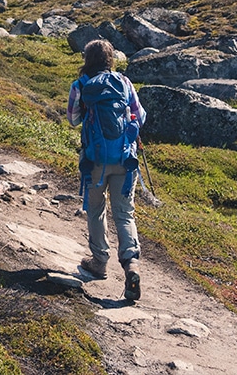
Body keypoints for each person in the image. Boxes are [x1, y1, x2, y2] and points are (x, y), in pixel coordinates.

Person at [67, 39, 146, 301]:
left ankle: (99, 262)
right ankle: (131, 265)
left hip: (94, 160)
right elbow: (140, 116)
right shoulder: (124, 82)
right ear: (110, 58)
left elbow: (73, 119)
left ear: (87, 59)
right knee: (124, 213)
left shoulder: (80, 85)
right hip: (125, 159)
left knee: (96, 209)